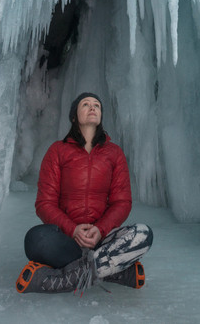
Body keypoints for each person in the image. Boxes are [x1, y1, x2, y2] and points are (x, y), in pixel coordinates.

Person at [15, 92, 153, 294]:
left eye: (97, 105)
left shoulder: (114, 153)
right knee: (35, 240)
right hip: (66, 239)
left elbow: (122, 202)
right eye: (86, 104)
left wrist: (100, 230)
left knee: (143, 233)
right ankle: (116, 271)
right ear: (74, 117)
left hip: (103, 239)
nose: (92, 107)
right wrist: (73, 229)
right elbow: (45, 203)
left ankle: (63, 278)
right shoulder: (58, 151)